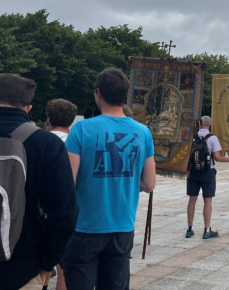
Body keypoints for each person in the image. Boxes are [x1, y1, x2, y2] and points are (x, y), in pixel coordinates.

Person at [62, 68, 156, 290]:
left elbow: (67, 182)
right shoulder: (143, 132)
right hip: (122, 225)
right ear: (125, 95)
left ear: (98, 93)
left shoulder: (81, 129)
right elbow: (149, 184)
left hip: (86, 225)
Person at [0, 74, 78, 290]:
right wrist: (47, 263)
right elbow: (64, 213)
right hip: (20, 268)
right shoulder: (46, 143)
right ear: (27, 108)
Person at [44, 98, 78, 290]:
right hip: (66, 209)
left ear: (48, 118)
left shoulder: (39, 140)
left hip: (39, 210)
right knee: (64, 268)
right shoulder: (75, 144)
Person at [186, 115, 229, 238]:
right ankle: (207, 230)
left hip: (193, 172)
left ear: (200, 124)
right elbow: (217, 158)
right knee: (207, 201)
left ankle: (189, 229)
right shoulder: (212, 138)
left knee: (192, 200)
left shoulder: (192, 137)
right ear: (209, 125)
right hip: (208, 172)